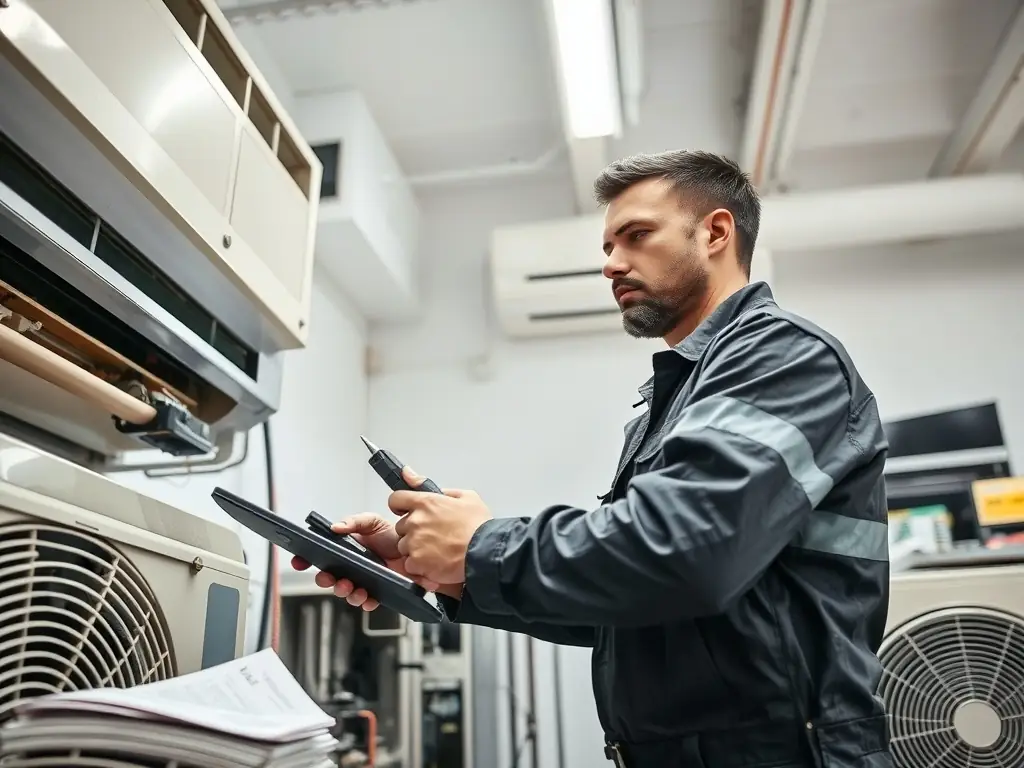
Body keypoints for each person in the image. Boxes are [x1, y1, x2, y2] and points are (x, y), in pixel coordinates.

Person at [293, 150, 894, 768]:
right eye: (608, 244)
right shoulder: (676, 400)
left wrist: (481, 546)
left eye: (636, 235)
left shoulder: (785, 358)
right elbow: (632, 606)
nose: (611, 264)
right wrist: (447, 570)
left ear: (715, 232)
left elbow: (689, 554)